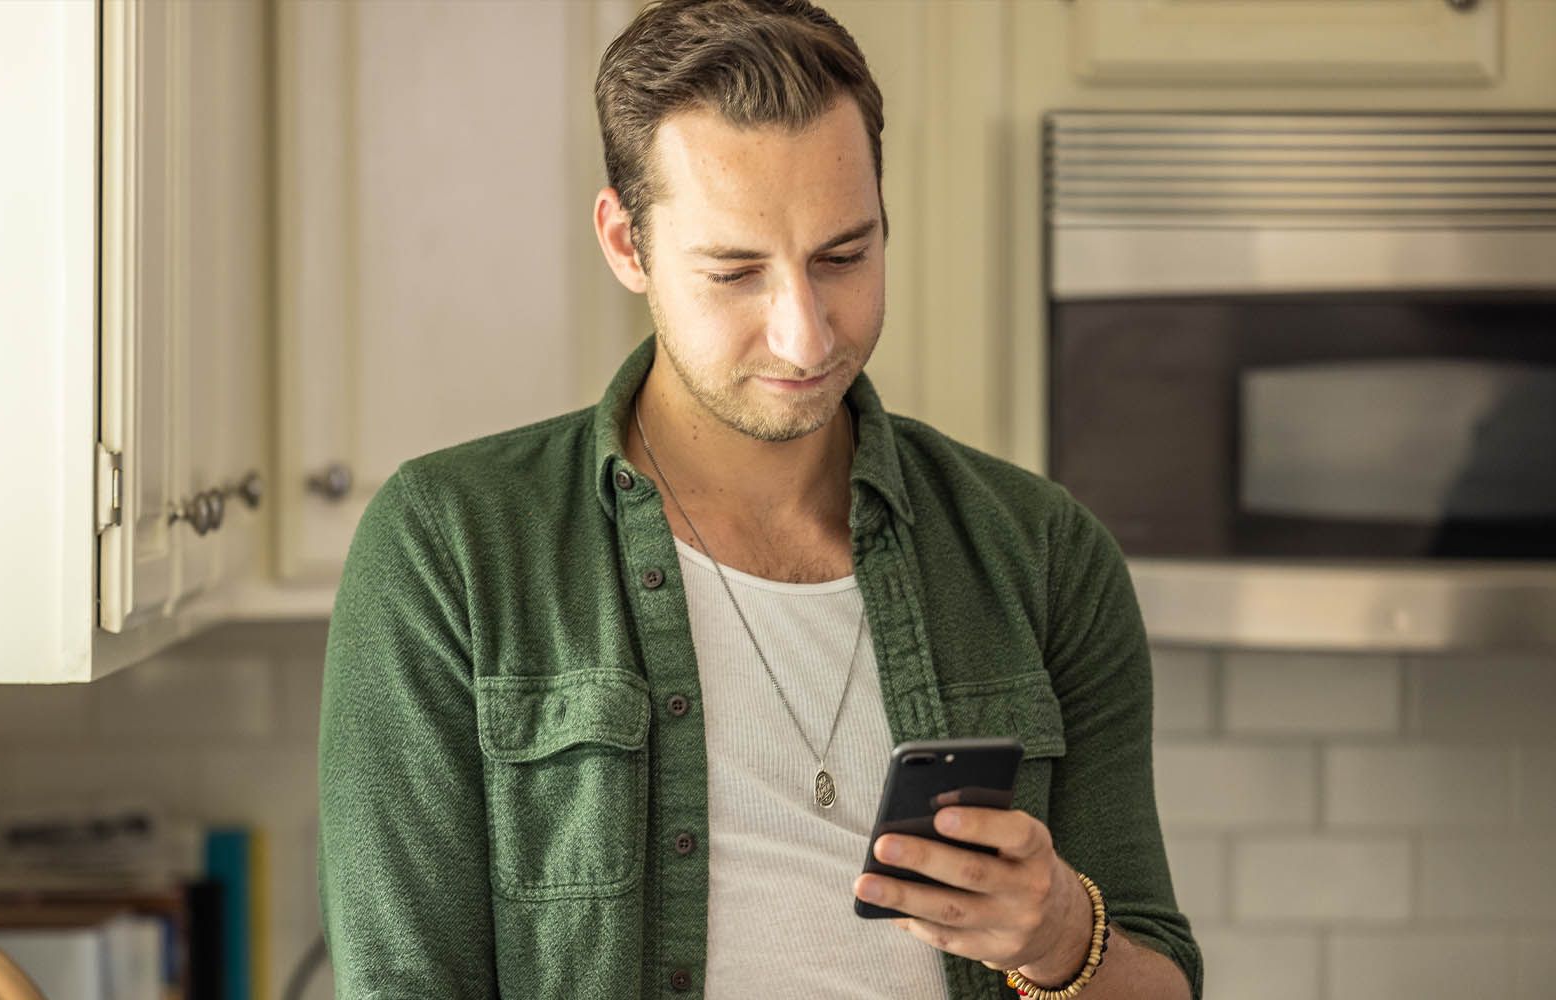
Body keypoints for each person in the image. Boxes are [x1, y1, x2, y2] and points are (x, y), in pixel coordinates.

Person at [317, 2, 1201, 998]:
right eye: (734, 271)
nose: (805, 336)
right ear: (625, 243)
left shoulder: (1040, 555)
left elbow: (1157, 980)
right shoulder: (451, 544)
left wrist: (1054, 938)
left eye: (843, 256)